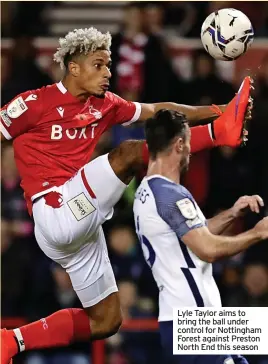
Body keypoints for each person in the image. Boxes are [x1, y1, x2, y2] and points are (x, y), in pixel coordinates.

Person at [1, 27, 252, 363]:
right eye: (99, 64)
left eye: (108, 65)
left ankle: (12, 341)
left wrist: (221, 108)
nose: (108, 73)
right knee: (131, 153)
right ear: (73, 67)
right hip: (55, 207)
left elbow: (160, 110)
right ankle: (219, 135)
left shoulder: (106, 105)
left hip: (78, 226)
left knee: (106, 321)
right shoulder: (34, 102)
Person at [133, 109, 268, 364]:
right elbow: (207, 248)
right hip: (192, 324)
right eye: (190, 144)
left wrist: (232, 213)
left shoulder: (149, 192)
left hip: (195, 323)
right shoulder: (170, 194)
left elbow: (193, 234)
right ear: (180, 144)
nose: (191, 152)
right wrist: (257, 233)